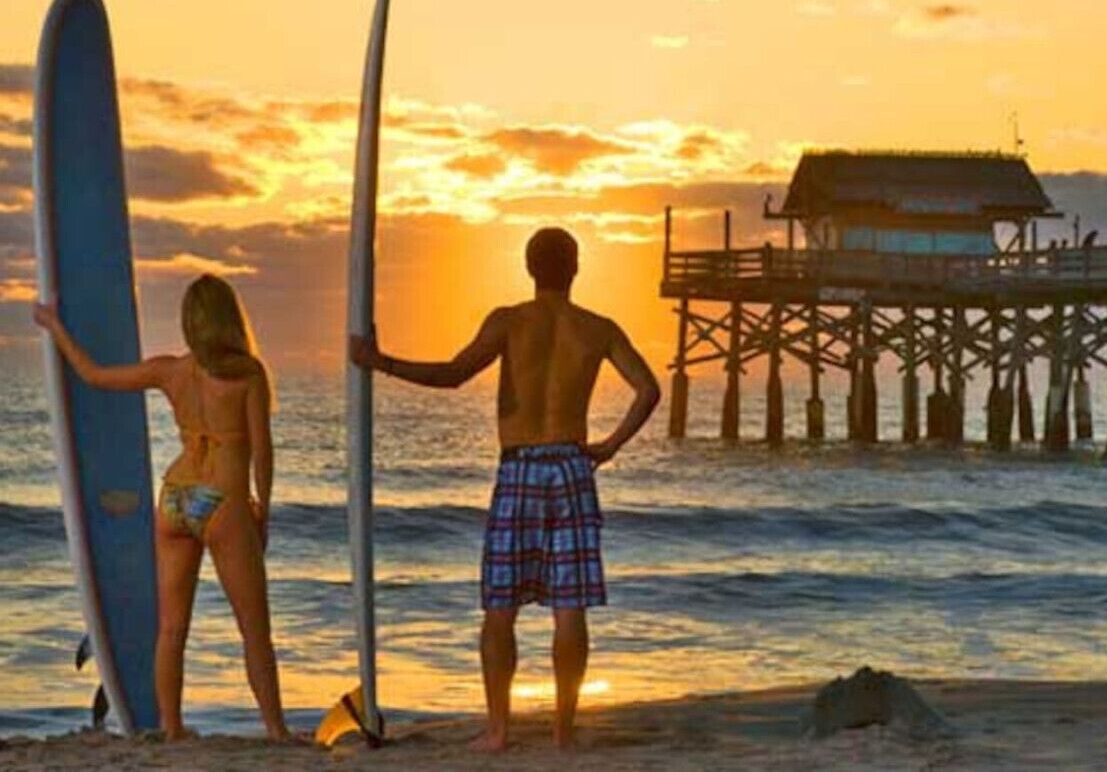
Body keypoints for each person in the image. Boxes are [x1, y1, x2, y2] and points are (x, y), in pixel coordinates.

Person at [351, 227, 660, 752]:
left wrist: (380, 363)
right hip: (570, 467)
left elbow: (452, 375)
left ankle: (498, 731)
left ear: (528, 266)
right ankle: (563, 733)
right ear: (577, 267)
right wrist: (608, 447)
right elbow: (649, 389)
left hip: (519, 467)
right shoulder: (597, 328)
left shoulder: (510, 321)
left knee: (500, 606)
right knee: (570, 607)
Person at [34, 274, 290, 742]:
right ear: (230, 319)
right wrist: (263, 509)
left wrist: (53, 325)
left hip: (174, 499)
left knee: (171, 628)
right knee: (255, 632)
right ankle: (276, 730)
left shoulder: (171, 371)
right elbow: (263, 449)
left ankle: (172, 728)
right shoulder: (248, 374)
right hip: (223, 500)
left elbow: (93, 375)